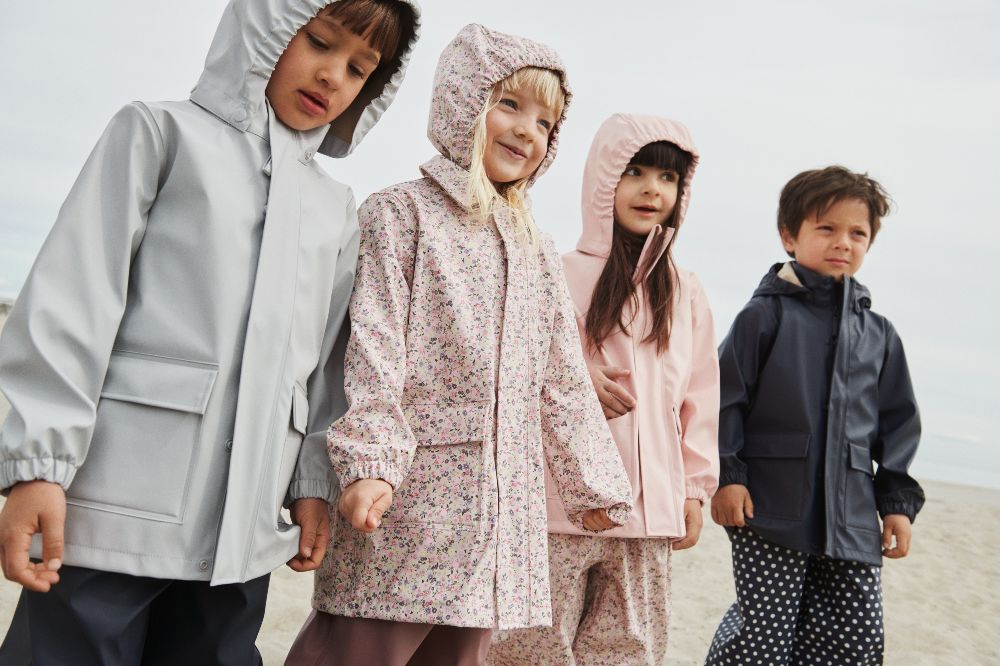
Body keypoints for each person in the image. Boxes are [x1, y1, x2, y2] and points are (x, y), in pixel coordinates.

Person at [0, 1, 419, 663]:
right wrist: (38, 467)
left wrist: (313, 483)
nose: (333, 75)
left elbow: (326, 367)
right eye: (318, 42)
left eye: (359, 69)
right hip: (112, 517)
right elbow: (72, 303)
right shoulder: (159, 135)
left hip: (241, 542)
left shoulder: (335, 210)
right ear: (267, 28)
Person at [284, 24, 634, 666]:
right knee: (361, 650)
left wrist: (592, 483)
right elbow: (372, 350)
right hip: (407, 503)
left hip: (504, 518)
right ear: (462, 103)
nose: (528, 130)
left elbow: (560, 375)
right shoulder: (401, 215)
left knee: (459, 656)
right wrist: (369, 464)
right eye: (509, 104)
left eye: (545, 121)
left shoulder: (534, 248)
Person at [488, 114, 720, 665]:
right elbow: (513, 361)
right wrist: (572, 375)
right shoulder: (555, 270)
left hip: (647, 516)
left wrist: (693, 488)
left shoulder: (685, 291)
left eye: (668, 178)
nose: (651, 189)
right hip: (556, 509)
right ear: (603, 181)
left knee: (629, 651)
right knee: (530, 648)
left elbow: (701, 398)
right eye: (635, 171)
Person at [705, 166, 925, 665]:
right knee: (763, 637)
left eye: (857, 233)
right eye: (826, 228)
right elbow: (725, 399)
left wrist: (896, 502)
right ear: (790, 235)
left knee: (855, 640)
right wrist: (727, 476)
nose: (842, 242)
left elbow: (897, 424)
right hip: (767, 509)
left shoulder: (881, 335)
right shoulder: (764, 316)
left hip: (852, 519)